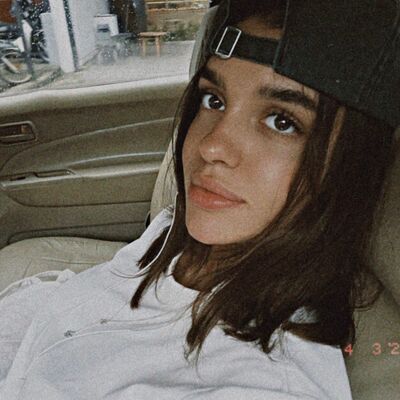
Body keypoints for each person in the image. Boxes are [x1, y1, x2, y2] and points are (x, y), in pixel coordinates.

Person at [0, 0, 398, 398]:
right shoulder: (178, 238)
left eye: (281, 121)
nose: (211, 146)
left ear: (349, 165)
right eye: (214, 100)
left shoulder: (262, 382)